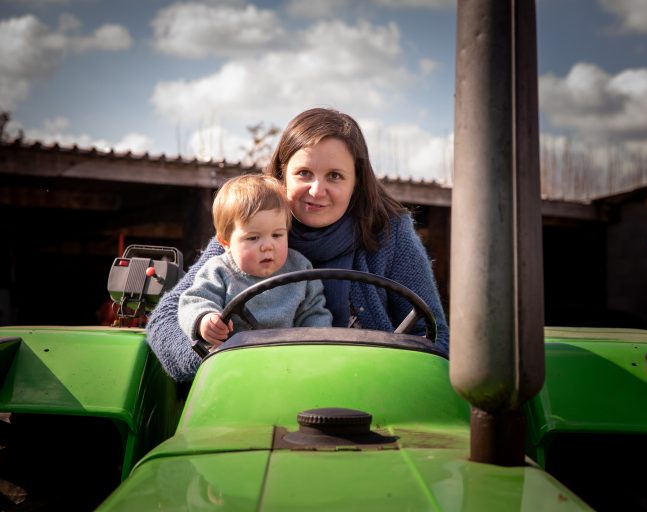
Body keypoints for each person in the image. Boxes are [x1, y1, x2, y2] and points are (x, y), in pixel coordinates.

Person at [147, 107, 449, 382]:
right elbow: (165, 321)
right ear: (282, 175)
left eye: (335, 176)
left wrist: (385, 378)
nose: (317, 191)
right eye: (304, 173)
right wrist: (224, 361)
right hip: (252, 392)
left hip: (368, 395)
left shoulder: (390, 233)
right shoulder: (246, 232)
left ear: (356, 182)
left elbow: (435, 336)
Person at [177, 174, 332, 350]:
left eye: (277, 235)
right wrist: (205, 320)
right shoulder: (219, 270)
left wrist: (318, 343)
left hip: (289, 358)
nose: (268, 246)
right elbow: (194, 301)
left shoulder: (300, 269)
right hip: (235, 358)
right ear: (226, 242)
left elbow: (313, 314)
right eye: (253, 238)